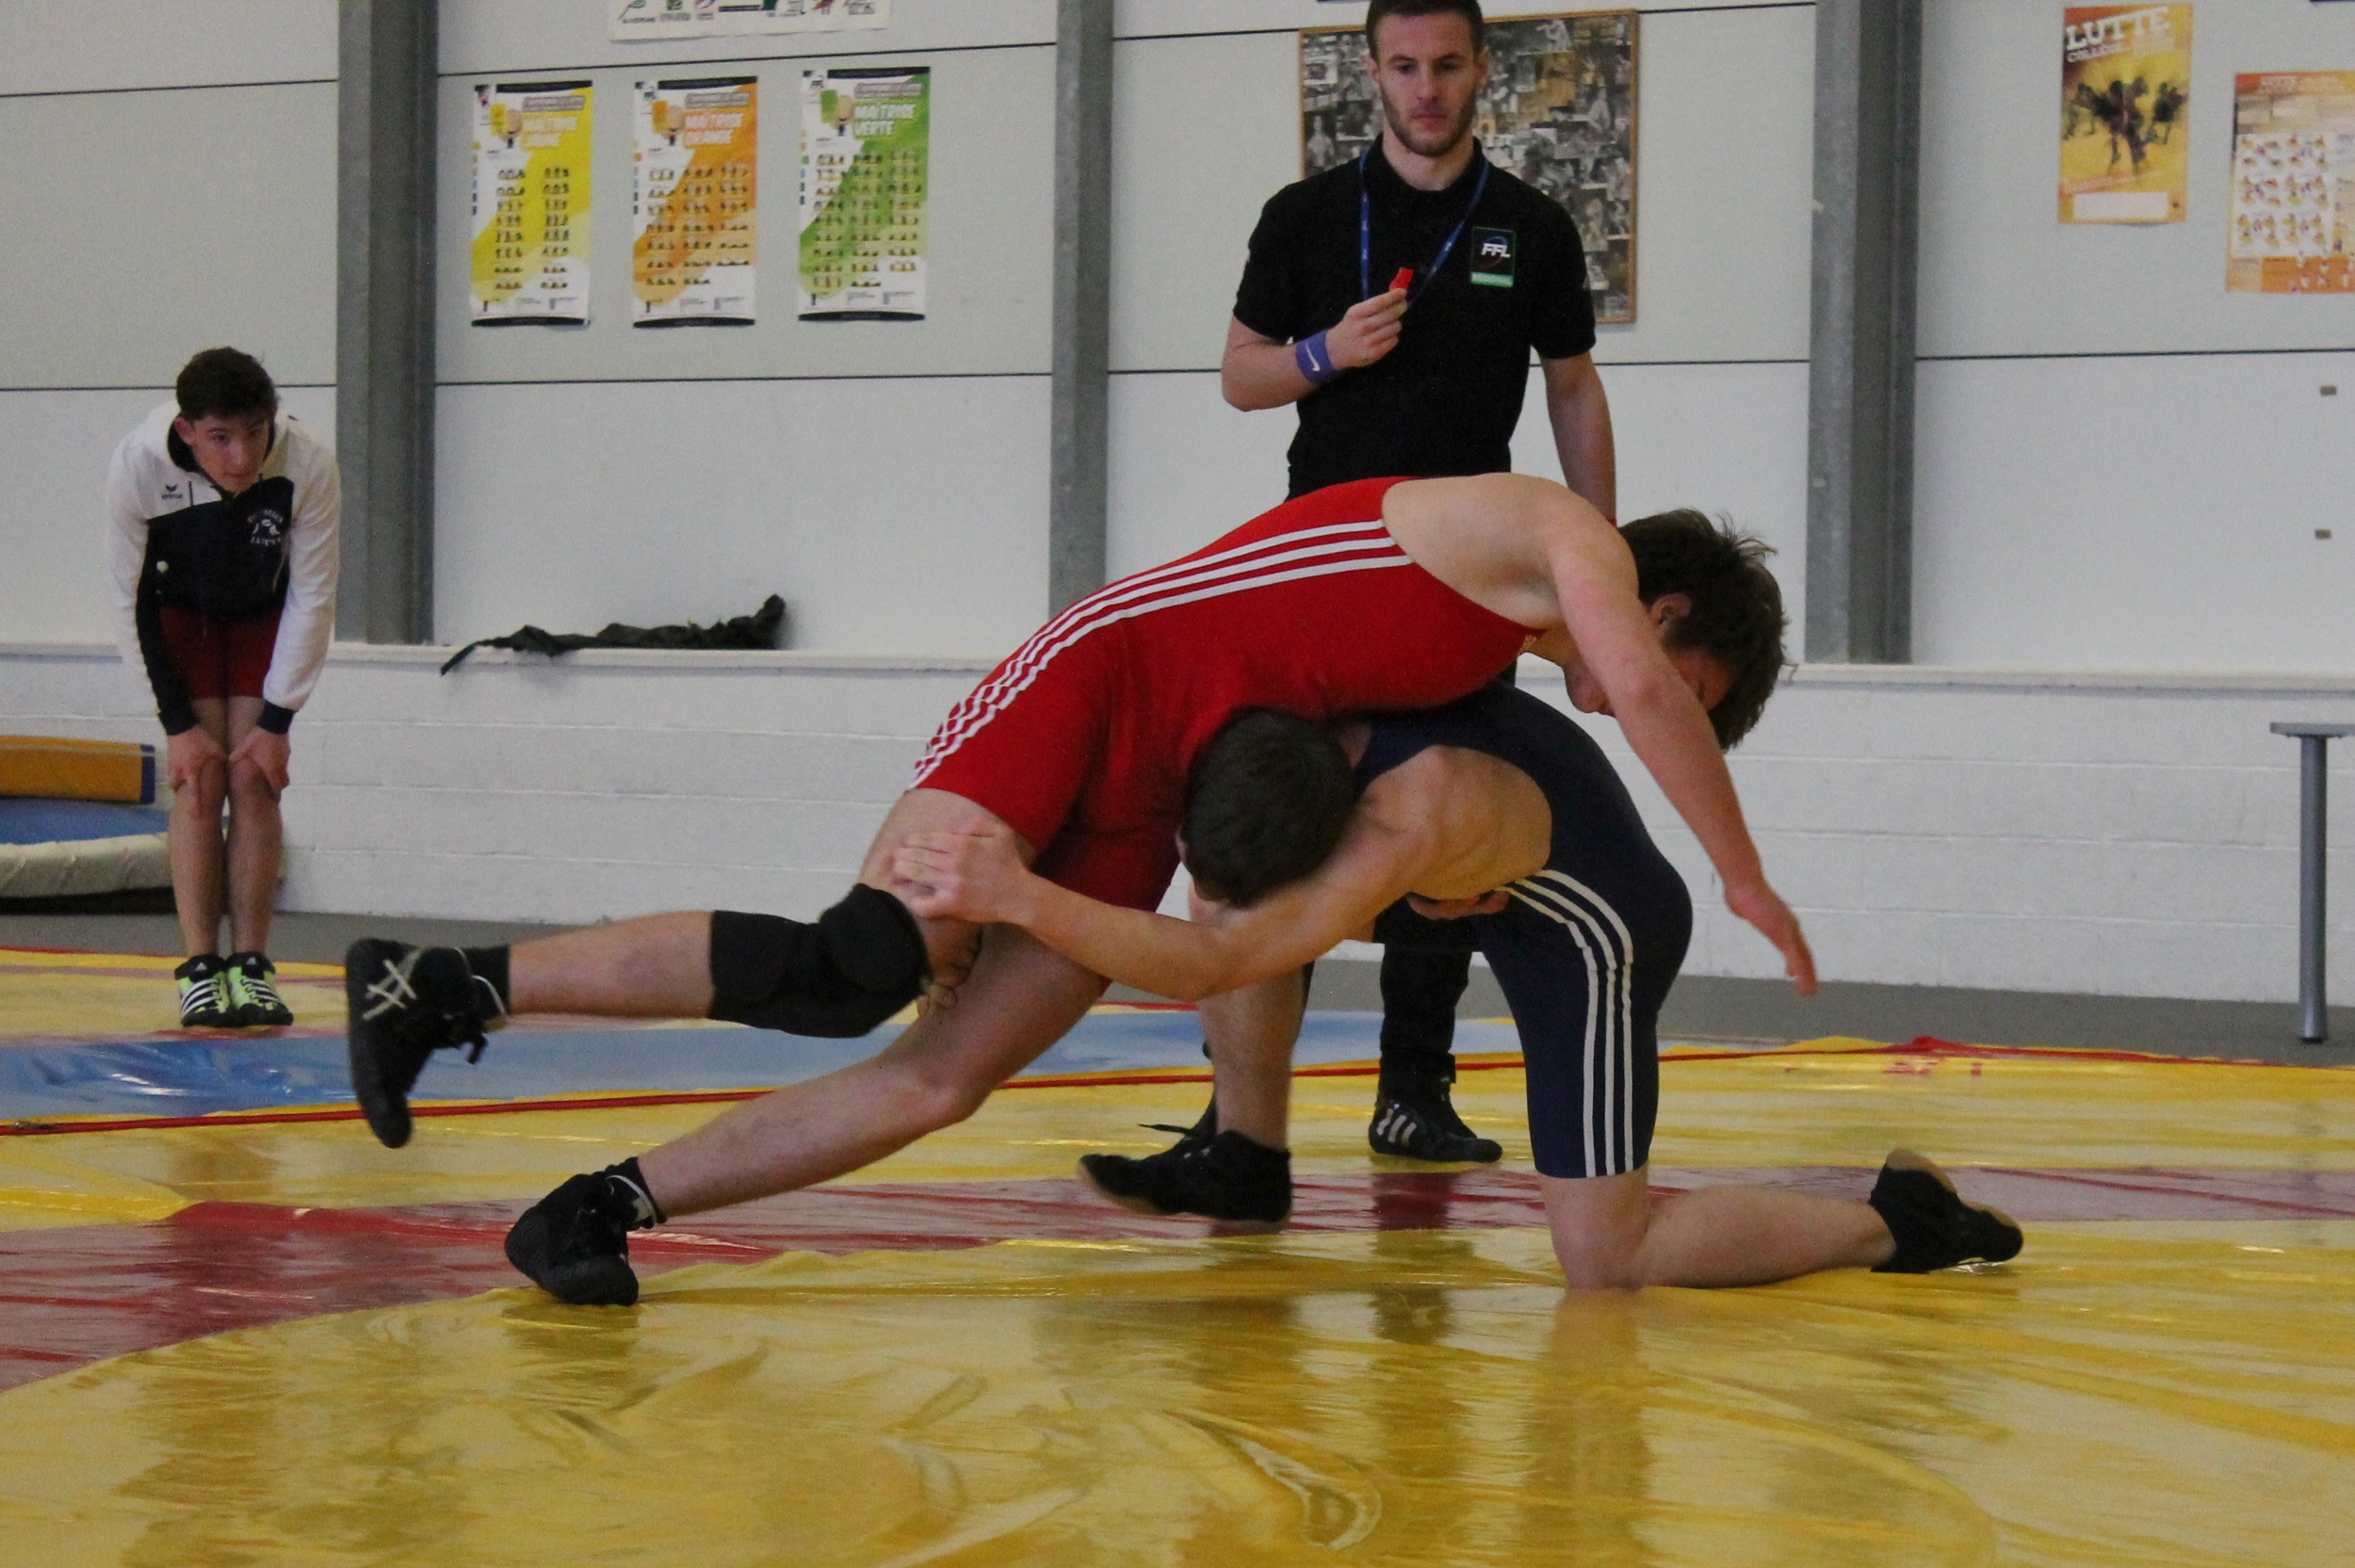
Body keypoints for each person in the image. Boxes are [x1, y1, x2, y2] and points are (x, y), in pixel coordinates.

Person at [346, 475, 1812, 1305]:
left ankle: (599, 1207)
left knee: (944, 1077)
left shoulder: (1489, 652)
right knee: (860, 961)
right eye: (1690, 688)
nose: (1633, 705)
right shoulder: (1558, 535)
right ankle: (448, 984)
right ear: (1671, 610)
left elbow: (1353, 801)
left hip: (1160, 797)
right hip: (1100, 680)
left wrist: (1434, 891)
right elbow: (1636, 685)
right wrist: (1744, 874)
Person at [891, 677, 2023, 1287]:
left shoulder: (1408, 818)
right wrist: (972, 932)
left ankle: (1898, 1222)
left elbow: (1218, 966)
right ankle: (1247, 1154)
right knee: (1223, 899)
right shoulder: (1267, 718)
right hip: (1475, 862)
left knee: (1606, 1257)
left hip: (1592, 924)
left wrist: (1021, 902)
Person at [1224, 0, 1618, 1162]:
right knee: (1284, 814)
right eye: (1404, 66)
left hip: (1467, 579)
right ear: (1372, 73)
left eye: (1447, 65)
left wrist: (1596, 561)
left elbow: (1574, 387)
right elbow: (1240, 376)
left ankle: (1415, 1089)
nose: (1427, 88)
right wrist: (1324, 353)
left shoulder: (1530, 225)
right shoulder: (1303, 216)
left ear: (1482, 69)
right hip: (1319, 567)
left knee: (1447, 823)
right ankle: (1240, 1112)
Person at [106, 348, 340, 1028]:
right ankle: (201, 969)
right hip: (180, 616)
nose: (241, 458)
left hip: (263, 612)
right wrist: (176, 724)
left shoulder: (307, 461)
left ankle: (253, 967)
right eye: (220, 438)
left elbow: (313, 595)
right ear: (187, 431)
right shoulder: (138, 463)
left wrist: (279, 721)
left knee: (255, 778)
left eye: (255, 433)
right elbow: (127, 600)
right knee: (200, 779)